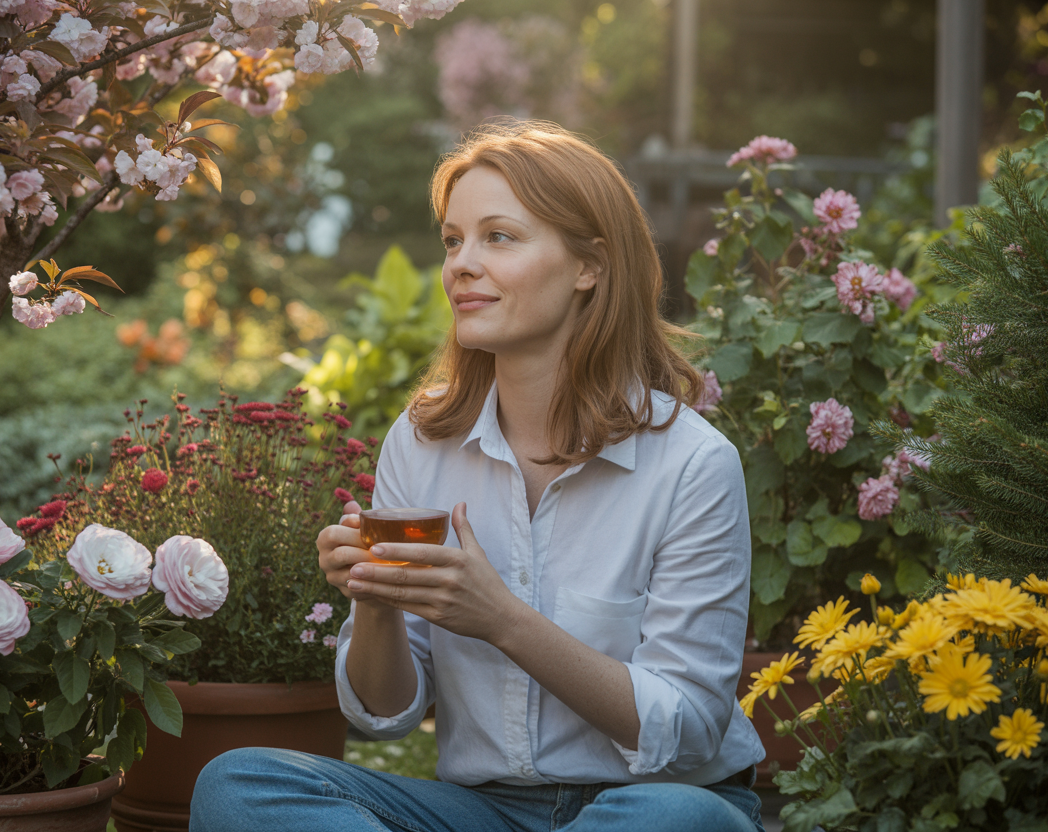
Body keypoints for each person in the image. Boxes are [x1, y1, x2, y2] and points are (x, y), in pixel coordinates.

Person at [190, 121, 765, 832]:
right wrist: (375, 599)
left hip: (644, 804)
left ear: (590, 266)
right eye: (453, 240)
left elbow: (687, 730)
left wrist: (501, 620)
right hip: (483, 811)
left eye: (499, 237)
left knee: (680, 820)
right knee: (238, 784)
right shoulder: (423, 441)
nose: (461, 264)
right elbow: (385, 711)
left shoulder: (692, 464)